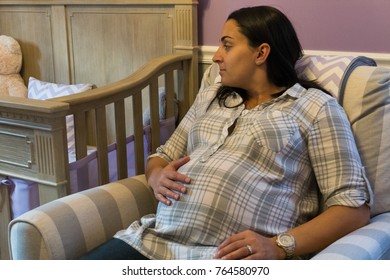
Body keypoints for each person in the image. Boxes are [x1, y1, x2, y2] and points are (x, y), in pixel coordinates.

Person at [81, 5, 372, 260]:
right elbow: (162, 155)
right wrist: (156, 174)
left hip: (226, 258)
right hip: (152, 242)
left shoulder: (316, 108)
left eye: (227, 45)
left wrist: (279, 246)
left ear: (261, 53)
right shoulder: (212, 96)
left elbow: (352, 208)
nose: (217, 57)